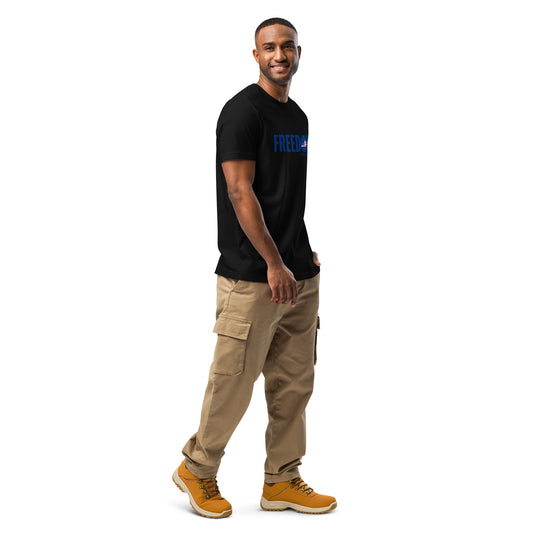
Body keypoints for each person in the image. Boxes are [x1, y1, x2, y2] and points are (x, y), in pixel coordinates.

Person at [172, 17, 337, 518]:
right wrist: (273, 262)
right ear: (256, 55)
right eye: (269, 47)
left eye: (287, 47)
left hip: (296, 274)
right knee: (233, 381)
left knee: (293, 383)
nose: (279, 55)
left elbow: (285, 195)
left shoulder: (298, 117)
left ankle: (281, 479)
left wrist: (300, 253)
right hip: (253, 275)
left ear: (299, 52)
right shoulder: (242, 112)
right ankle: (197, 469)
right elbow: (240, 192)